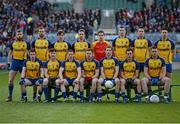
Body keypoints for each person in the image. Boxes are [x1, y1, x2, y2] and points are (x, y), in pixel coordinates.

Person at [6, 30, 30, 102]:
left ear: (22, 34)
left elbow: (29, 53)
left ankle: (23, 96)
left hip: (23, 62)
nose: (19, 35)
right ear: (16, 35)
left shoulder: (26, 43)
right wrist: (8, 62)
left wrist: (29, 62)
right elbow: (10, 53)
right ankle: (10, 96)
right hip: (15, 62)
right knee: (10, 80)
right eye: (18, 34)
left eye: (20, 33)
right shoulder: (12, 43)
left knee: (23, 81)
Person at [31, 26, 52, 100]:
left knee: (43, 79)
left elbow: (50, 53)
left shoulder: (48, 42)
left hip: (45, 63)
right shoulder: (34, 42)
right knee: (35, 79)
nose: (41, 32)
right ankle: (34, 96)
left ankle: (39, 95)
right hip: (36, 63)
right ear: (38, 32)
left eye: (42, 31)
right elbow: (32, 53)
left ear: (44, 32)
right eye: (40, 31)